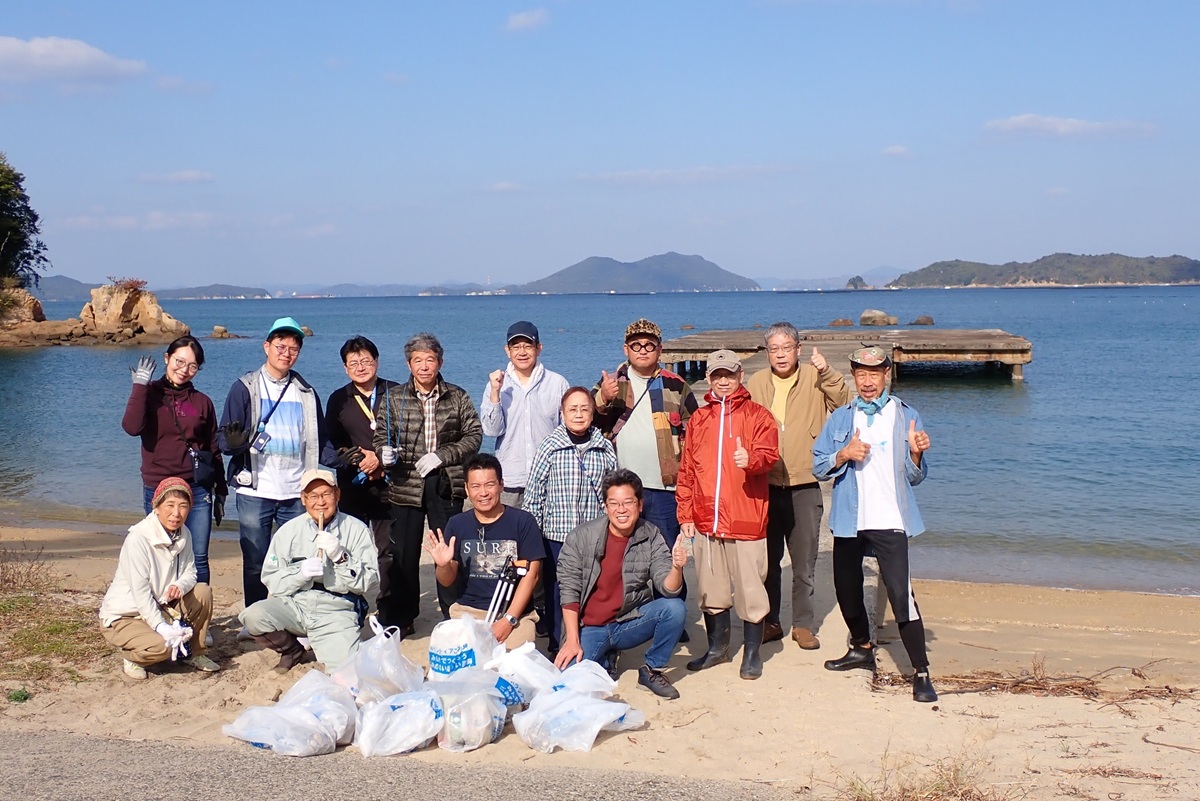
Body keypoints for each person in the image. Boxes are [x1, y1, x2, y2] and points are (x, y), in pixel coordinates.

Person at [812, 346, 937, 703]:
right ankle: (862, 647)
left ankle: (921, 671)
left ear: (886, 376)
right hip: (851, 518)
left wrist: (916, 453)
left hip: (890, 519)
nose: (867, 382)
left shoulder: (905, 415)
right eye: (861, 375)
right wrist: (843, 454)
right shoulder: (841, 418)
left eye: (874, 374)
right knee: (846, 589)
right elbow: (819, 466)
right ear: (854, 377)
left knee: (901, 595)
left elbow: (915, 477)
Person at [219, 316, 333, 615]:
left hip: (296, 491)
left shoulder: (306, 392)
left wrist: (347, 461)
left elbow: (320, 442)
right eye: (281, 346)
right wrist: (233, 444)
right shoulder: (244, 388)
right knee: (257, 558)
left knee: (296, 559)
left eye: (293, 348)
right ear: (266, 346)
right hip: (256, 490)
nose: (287, 353)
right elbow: (223, 439)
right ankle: (256, 617)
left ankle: (291, 615)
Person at [746, 321, 850, 649]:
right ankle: (770, 621)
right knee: (768, 562)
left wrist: (828, 372)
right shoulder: (757, 381)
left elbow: (846, 404)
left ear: (798, 350)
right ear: (767, 353)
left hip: (805, 483)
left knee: (804, 561)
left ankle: (803, 625)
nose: (780, 355)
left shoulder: (814, 378)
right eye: (773, 349)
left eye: (786, 348)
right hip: (765, 484)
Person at [677, 350, 779, 680]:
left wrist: (751, 459)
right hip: (707, 519)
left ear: (741, 376)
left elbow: (769, 455)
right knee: (712, 588)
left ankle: (751, 653)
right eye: (717, 375)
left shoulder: (758, 416)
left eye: (730, 375)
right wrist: (686, 513)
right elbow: (688, 470)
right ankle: (717, 649)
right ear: (708, 379)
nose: (724, 381)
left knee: (751, 589)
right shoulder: (699, 419)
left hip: (746, 518)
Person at [373, 332, 482, 634]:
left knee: (448, 550)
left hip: (445, 481)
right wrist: (385, 453)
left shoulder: (456, 396)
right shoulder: (394, 398)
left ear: (440, 362)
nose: (424, 366)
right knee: (404, 553)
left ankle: (453, 612)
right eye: (417, 360)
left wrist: (442, 456)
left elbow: (474, 436)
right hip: (405, 482)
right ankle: (402, 617)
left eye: (429, 359)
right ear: (409, 364)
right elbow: (382, 435)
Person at [593, 318, 699, 614]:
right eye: (636, 345)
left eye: (649, 345)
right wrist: (603, 397)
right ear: (626, 349)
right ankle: (628, 613)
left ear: (660, 349)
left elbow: (696, 432)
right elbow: (587, 418)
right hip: (623, 489)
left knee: (667, 553)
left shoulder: (676, 385)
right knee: (622, 554)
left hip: (666, 486)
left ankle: (672, 616)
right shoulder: (613, 382)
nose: (643, 350)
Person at [555, 469, 688, 700]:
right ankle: (606, 655)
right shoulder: (581, 537)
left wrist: (677, 567)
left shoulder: (651, 535)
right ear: (605, 506)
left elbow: (668, 588)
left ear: (640, 505)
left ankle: (651, 670)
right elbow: (569, 591)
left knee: (675, 608)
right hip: (590, 627)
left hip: (626, 621)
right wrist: (572, 641)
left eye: (628, 502)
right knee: (566, 681)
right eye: (614, 503)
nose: (621, 510)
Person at [240, 467, 380, 674]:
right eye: (313, 496)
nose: (320, 502)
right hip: (296, 603)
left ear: (338, 495)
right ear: (303, 499)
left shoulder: (356, 529)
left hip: (336, 608)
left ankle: (334, 643)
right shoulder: (288, 531)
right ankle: (292, 650)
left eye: (326, 494)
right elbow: (271, 579)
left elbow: (370, 582)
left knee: (345, 671)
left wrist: (340, 556)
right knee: (253, 616)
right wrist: (300, 574)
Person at [122, 335, 226, 591]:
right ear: (167, 358)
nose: (184, 370)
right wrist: (139, 386)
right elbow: (131, 427)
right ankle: (166, 615)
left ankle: (200, 621)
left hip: (197, 487)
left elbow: (212, 448)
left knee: (198, 557)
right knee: (162, 556)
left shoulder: (202, 402)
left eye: (192, 366)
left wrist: (221, 489)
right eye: (180, 361)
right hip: (158, 487)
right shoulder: (148, 394)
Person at [522, 386, 617, 653]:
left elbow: (613, 493)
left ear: (592, 413)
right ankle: (556, 643)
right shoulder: (550, 447)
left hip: (593, 535)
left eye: (584, 409)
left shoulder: (604, 447)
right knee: (556, 592)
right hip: (556, 536)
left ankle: (592, 643)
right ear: (562, 414)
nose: (578, 414)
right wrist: (533, 540)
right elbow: (534, 495)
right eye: (572, 409)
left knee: (593, 589)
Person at [99, 477, 220, 679]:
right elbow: (141, 593)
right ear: (156, 507)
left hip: (162, 605)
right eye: (169, 505)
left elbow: (191, 572)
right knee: (163, 649)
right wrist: (162, 627)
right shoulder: (138, 539)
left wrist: (180, 585)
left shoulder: (185, 534)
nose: (176, 513)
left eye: (183, 506)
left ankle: (195, 652)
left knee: (202, 591)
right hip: (126, 616)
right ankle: (132, 657)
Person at [423, 454, 543, 649]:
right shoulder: (456, 524)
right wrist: (443, 564)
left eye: (490, 484)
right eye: (476, 486)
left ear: (501, 485)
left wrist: (508, 620)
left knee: (513, 669)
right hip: (467, 610)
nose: (483, 493)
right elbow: (446, 580)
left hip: (514, 613)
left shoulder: (523, 522)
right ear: (467, 489)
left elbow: (532, 576)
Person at [326, 336, 400, 605]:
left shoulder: (397, 392)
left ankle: (390, 605)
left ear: (377, 362)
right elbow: (331, 445)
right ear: (345, 368)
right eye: (353, 362)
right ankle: (350, 603)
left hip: (389, 484)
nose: (360, 367)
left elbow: (410, 438)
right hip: (352, 485)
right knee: (348, 546)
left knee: (389, 549)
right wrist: (360, 460)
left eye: (366, 361)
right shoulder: (339, 399)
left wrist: (379, 460)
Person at [480, 321, 569, 508]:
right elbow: (491, 430)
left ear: (539, 348)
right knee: (509, 536)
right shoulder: (496, 384)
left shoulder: (557, 383)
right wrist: (495, 393)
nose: (522, 352)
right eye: (516, 346)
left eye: (528, 346)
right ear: (507, 350)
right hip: (510, 479)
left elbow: (566, 432)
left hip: (549, 478)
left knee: (546, 536)